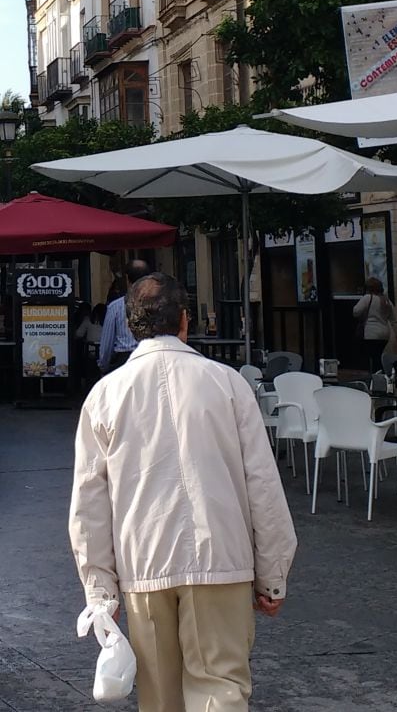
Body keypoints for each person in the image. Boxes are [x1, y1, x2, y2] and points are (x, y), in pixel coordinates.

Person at [69, 272, 296, 712]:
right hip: (221, 560)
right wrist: (273, 574)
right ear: (185, 321)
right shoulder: (228, 384)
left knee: (158, 697)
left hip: (144, 564)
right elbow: (263, 486)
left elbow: (88, 506)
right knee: (222, 688)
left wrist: (100, 590)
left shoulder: (104, 396)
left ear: (132, 326)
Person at [97, 260, 150, 373]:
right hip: (149, 359)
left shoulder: (115, 307)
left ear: (127, 279)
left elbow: (106, 345)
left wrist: (104, 367)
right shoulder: (157, 305)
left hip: (124, 362)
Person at [353, 277, 397, 374]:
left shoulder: (367, 298)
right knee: (377, 356)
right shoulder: (387, 301)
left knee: (373, 358)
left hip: (371, 333)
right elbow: (394, 320)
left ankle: (377, 377)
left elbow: (356, 311)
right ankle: (379, 375)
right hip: (384, 334)